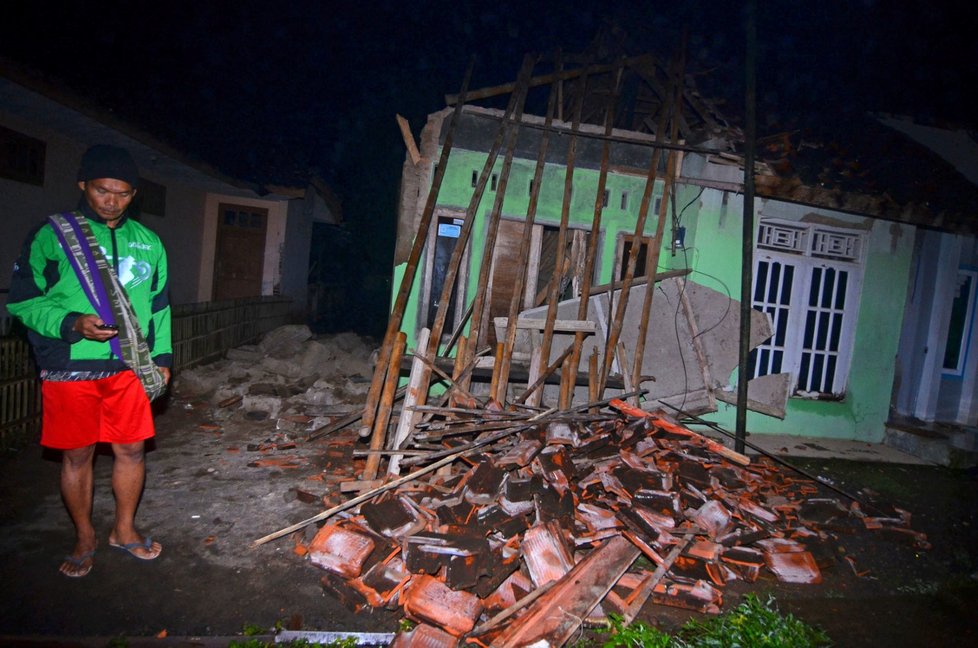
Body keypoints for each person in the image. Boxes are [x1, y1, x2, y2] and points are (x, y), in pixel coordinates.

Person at [7, 144, 171, 577]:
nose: (112, 201)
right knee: (77, 455)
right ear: (83, 185)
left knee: (132, 450)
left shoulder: (149, 242)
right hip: (71, 365)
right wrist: (71, 322)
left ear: (133, 194)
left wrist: (165, 357)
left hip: (130, 365)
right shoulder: (53, 235)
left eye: (122, 193)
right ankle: (84, 536)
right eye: (102, 190)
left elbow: (160, 306)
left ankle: (124, 530)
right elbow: (22, 302)